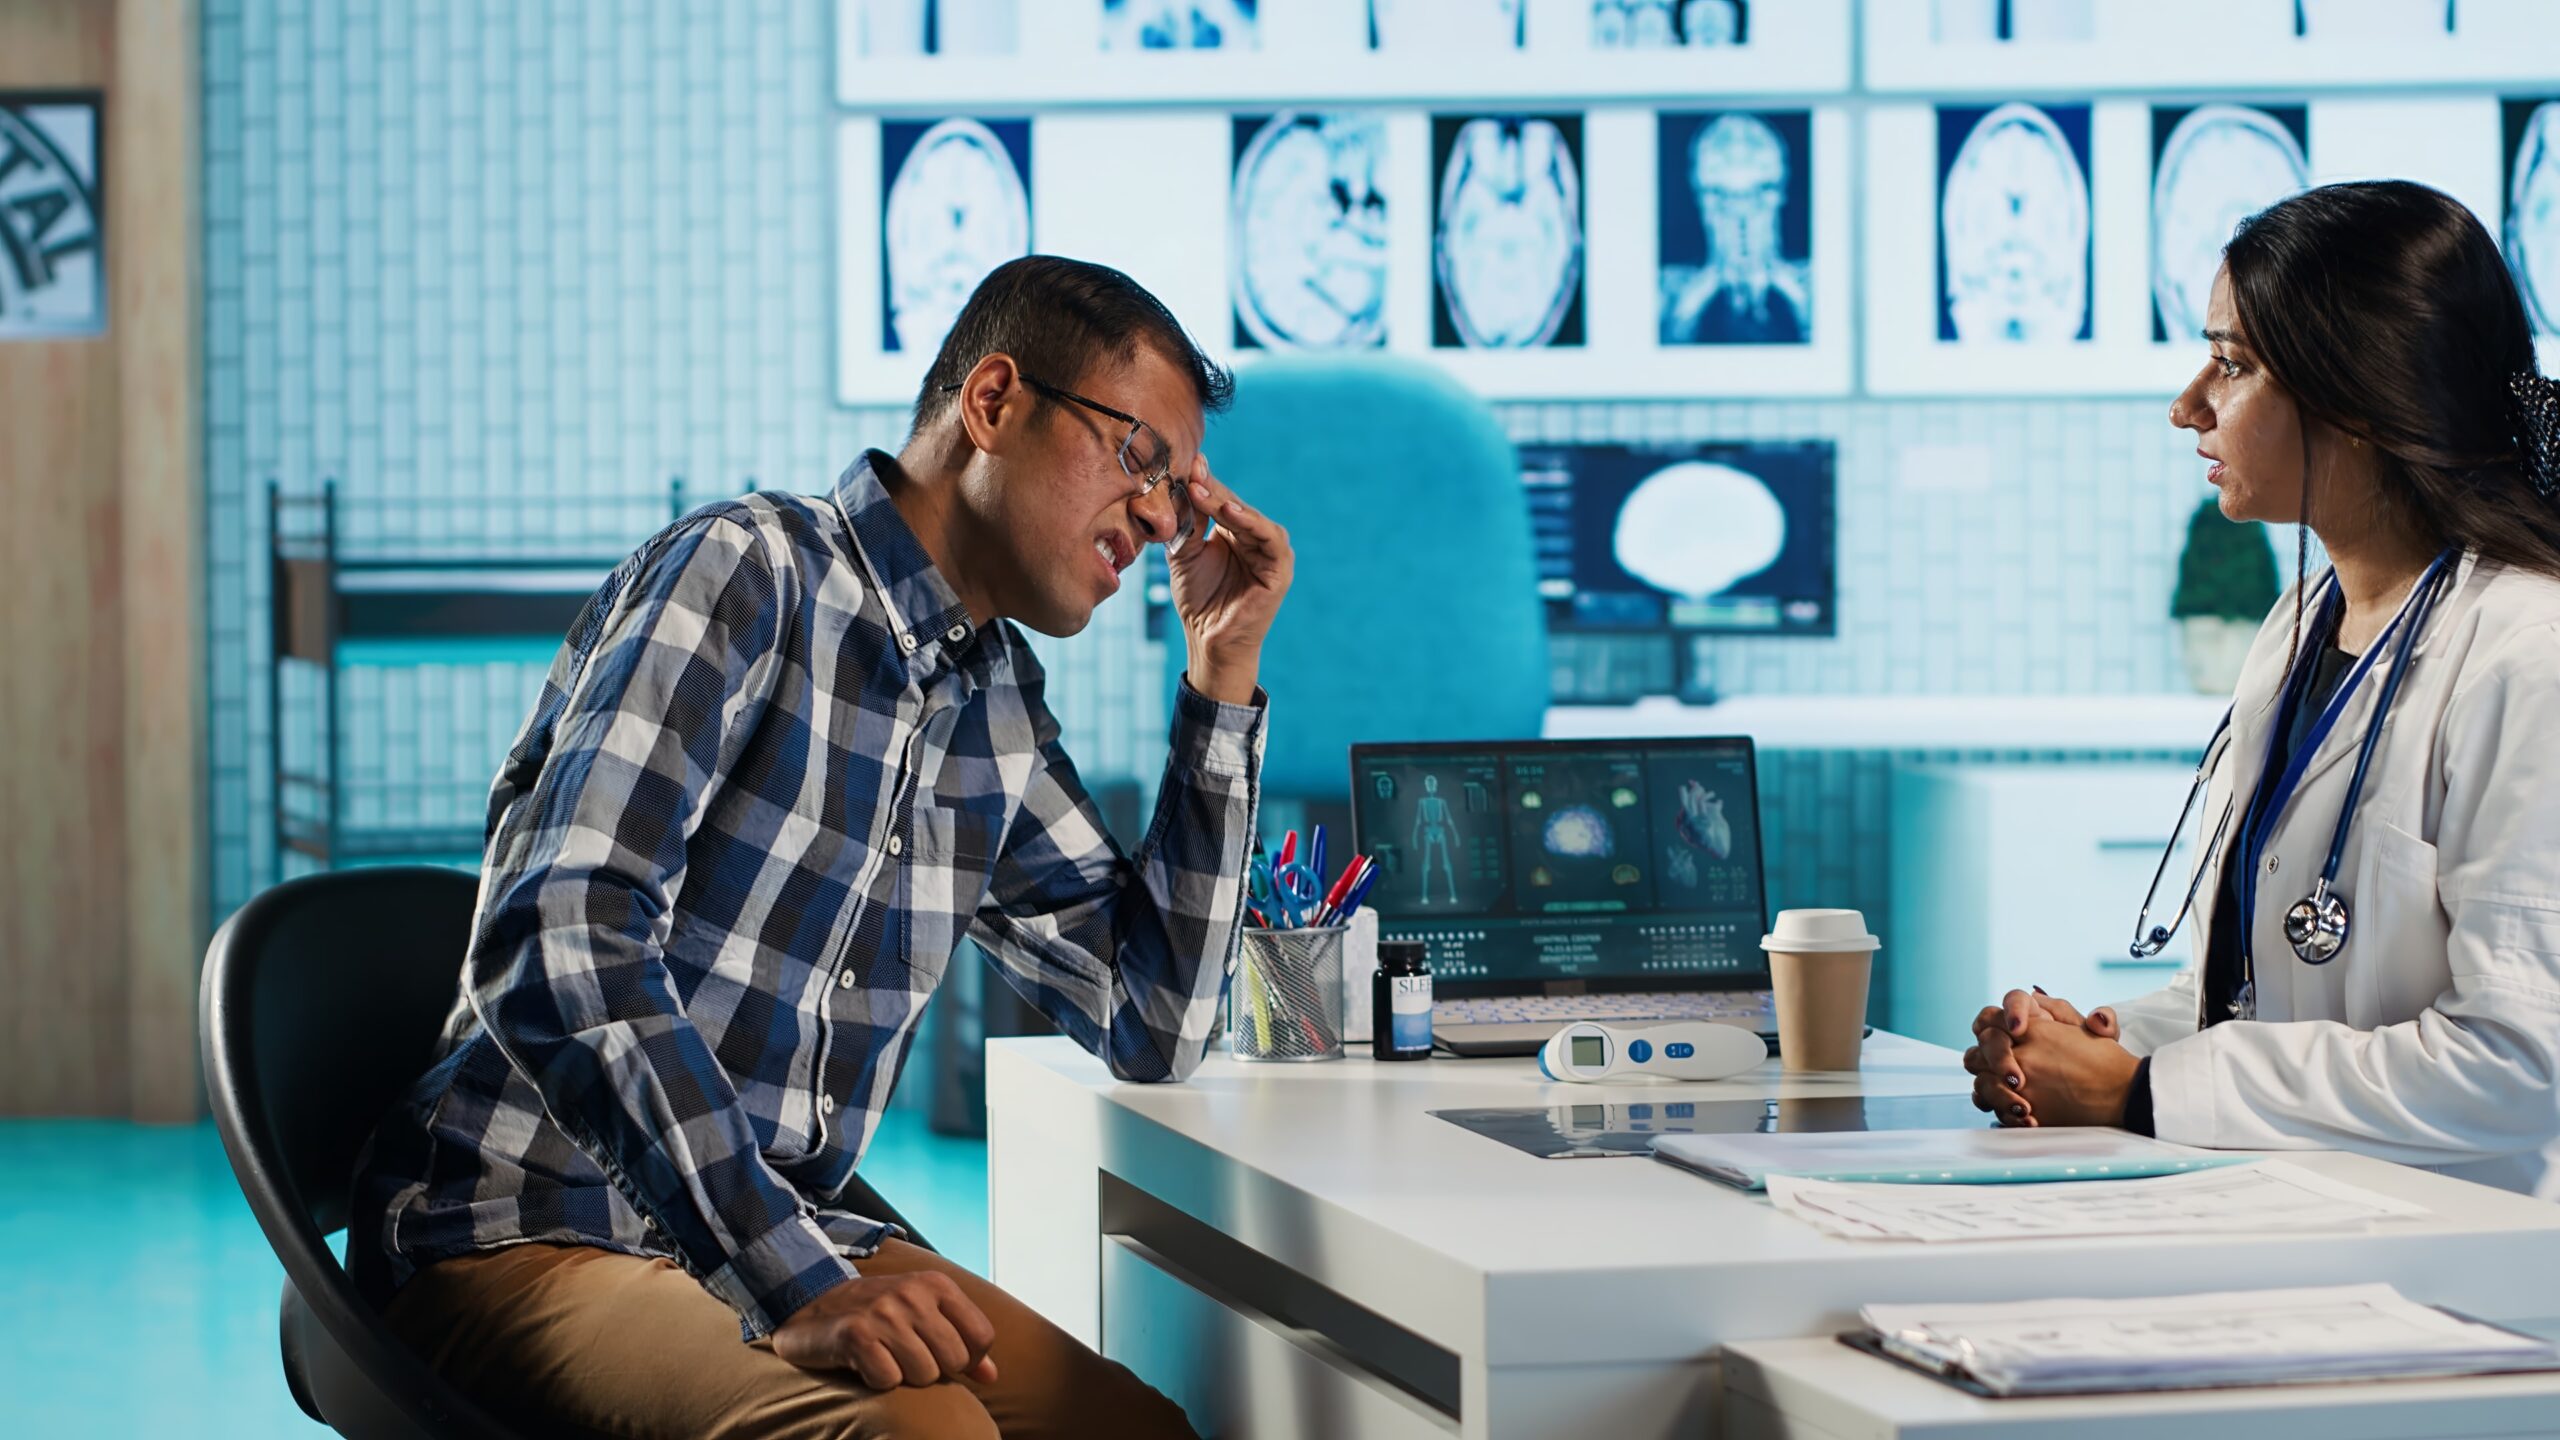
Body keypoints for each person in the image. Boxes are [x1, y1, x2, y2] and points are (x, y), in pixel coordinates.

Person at [347, 255, 1294, 1439]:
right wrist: (790, 1275)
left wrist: (1220, 674)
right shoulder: (749, 571)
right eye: (1137, 458)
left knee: (1132, 1431)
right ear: (994, 403)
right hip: (530, 1226)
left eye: (1179, 486)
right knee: (921, 1434)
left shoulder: (992, 699)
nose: (1161, 516)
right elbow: (557, 933)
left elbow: (1154, 1025)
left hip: (776, 1233)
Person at [1966, 181, 2560, 1198]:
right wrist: (2091, 1047)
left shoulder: (2528, 653)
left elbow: (2518, 1065)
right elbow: (2263, 997)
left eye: (2231, 365)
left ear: (2359, 399)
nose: (2186, 403)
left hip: (2464, 1259)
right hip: (2287, 1216)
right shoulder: (2299, 628)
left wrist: (2143, 1095)